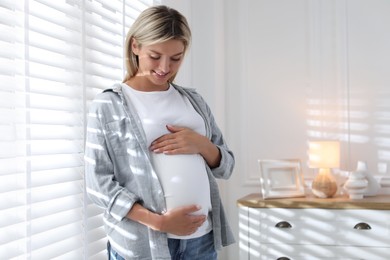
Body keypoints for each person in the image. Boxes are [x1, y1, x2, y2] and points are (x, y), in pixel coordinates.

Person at [84, 5, 235, 260]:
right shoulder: (109, 104)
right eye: (155, 56)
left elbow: (226, 166)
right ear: (135, 46)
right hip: (144, 244)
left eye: (176, 58)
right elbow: (97, 184)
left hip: (201, 241)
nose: (165, 67)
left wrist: (201, 145)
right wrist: (159, 222)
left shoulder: (194, 101)